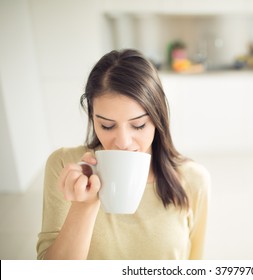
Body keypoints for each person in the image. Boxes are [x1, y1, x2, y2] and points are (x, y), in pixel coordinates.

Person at [36, 49, 210, 260]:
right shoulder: (65, 165)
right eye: (107, 126)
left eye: (138, 125)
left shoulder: (193, 179)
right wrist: (83, 207)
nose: (123, 142)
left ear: (158, 118)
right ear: (92, 118)